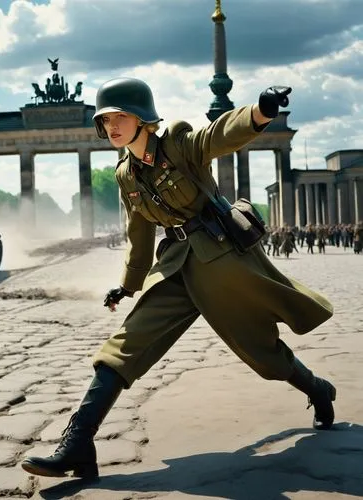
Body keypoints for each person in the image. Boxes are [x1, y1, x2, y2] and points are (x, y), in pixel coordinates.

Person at [21, 78, 336, 479]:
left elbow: (217, 137)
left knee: (262, 351)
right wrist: (129, 284)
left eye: (122, 117)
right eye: (106, 120)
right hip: (174, 266)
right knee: (124, 347)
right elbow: (138, 233)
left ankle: (318, 389)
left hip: (220, 261)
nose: (113, 126)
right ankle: (78, 443)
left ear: (143, 120)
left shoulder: (178, 142)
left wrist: (259, 113)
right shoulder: (125, 174)